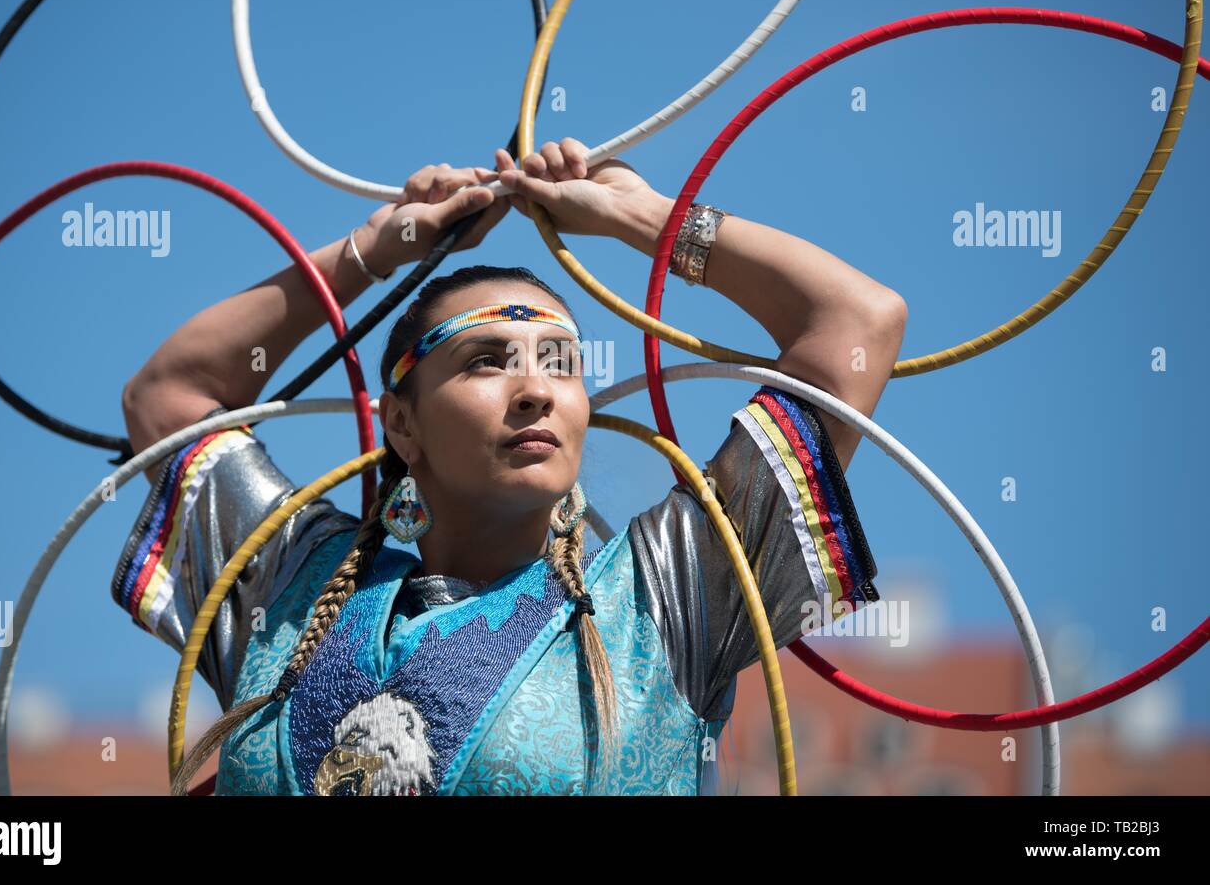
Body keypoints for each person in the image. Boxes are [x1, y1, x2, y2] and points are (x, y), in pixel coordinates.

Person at [115, 139, 907, 796]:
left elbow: (855, 322)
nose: (535, 390)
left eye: (561, 362)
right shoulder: (287, 584)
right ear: (402, 423)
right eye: (486, 361)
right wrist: (379, 247)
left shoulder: (667, 598)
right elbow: (171, 398)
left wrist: (641, 217)